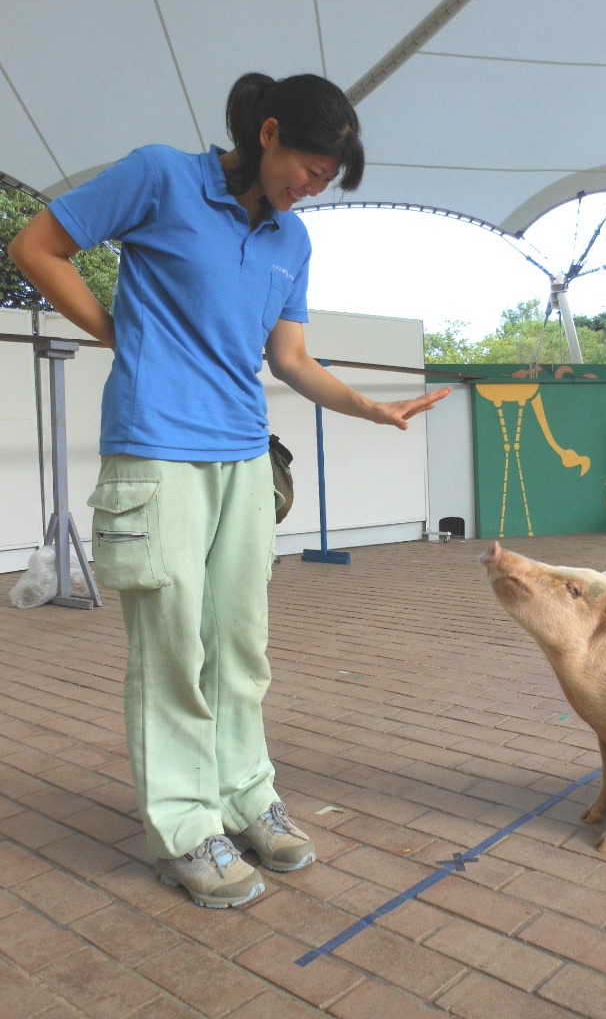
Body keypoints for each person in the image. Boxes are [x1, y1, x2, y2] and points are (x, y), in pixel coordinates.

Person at [9, 71, 450, 909]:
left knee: (240, 647)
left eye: (326, 182)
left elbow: (289, 360)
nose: (312, 190)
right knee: (173, 650)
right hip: (157, 448)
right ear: (270, 132)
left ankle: (246, 796)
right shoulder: (160, 176)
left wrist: (374, 409)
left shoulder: (292, 241)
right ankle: (184, 826)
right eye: (311, 169)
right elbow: (35, 247)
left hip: (245, 456)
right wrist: (116, 330)